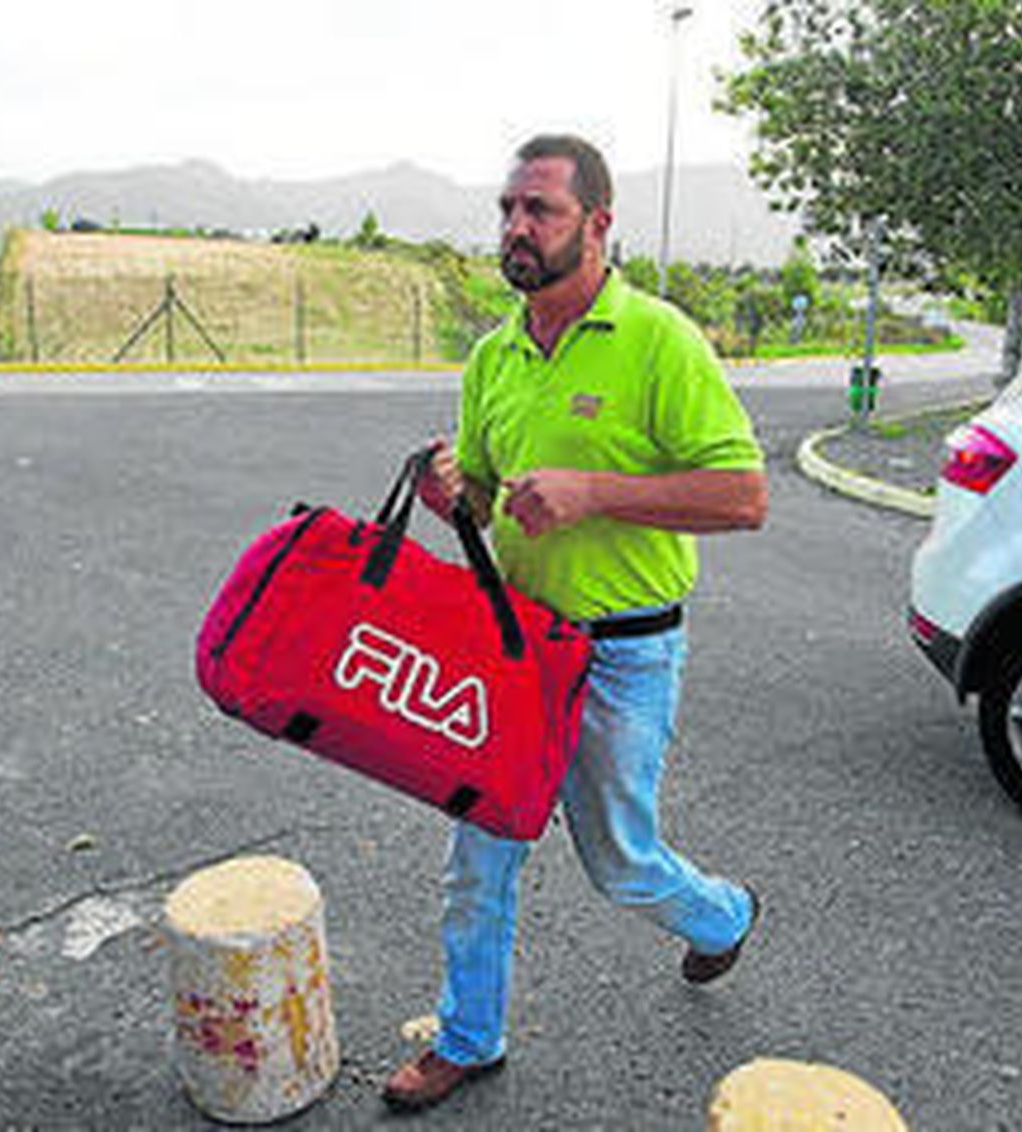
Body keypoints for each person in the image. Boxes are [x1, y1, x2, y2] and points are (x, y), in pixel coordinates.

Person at [382, 134, 768, 1113]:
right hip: (512, 651)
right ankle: (469, 1035)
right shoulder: (493, 355)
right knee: (478, 860)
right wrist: (449, 492)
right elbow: (478, 494)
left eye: (538, 211)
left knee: (619, 861)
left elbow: (743, 497)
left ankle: (721, 915)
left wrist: (597, 491)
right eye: (507, 208)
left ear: (596, 225)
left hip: (626, 649)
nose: (516, 227)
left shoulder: (660, 339)